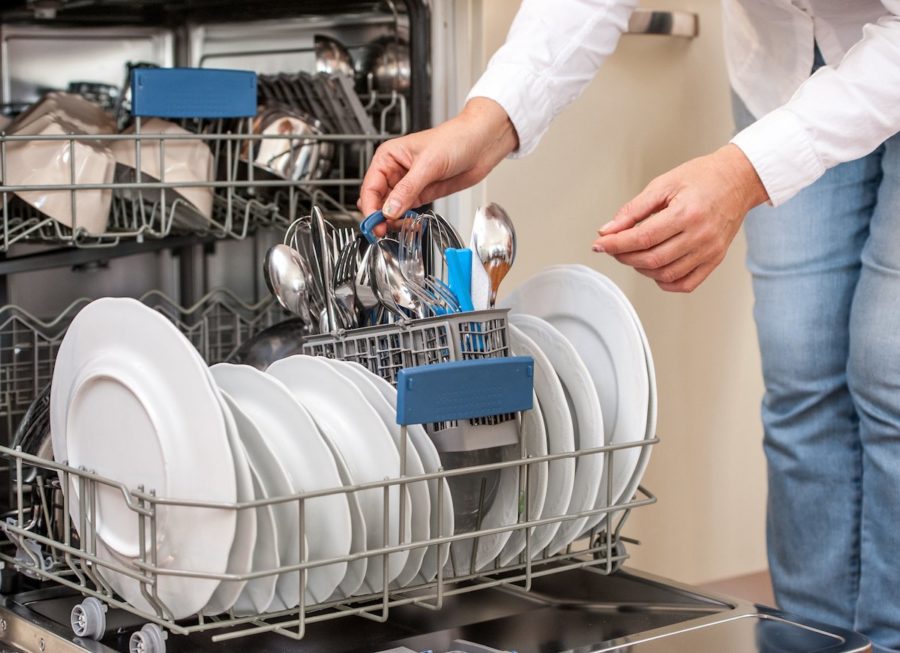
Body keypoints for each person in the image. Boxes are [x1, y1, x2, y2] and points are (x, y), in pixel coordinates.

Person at [358, 1, 900, 651]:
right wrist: (490, 120)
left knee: (889, 367)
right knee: (800, 369)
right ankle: (809, 640)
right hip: (785, 66)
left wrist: (745, 171)